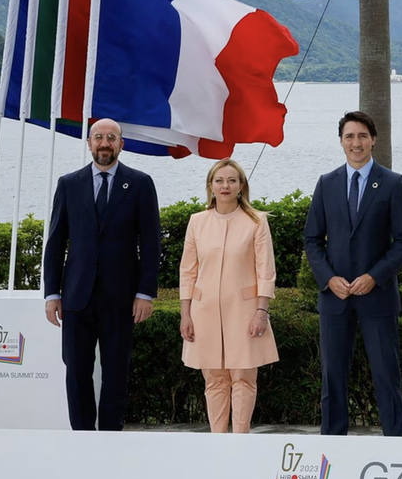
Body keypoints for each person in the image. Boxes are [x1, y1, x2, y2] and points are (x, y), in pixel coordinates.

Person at [42, 118, 161, 431]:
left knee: (116, 370)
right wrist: (52, 294)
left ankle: (111, 434)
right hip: (77, 297)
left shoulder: (140, 183)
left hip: (121, 298)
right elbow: (55, 243)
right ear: (89, 143)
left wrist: (145, 293)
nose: (105, 143)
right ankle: (81, 436)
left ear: (121, 144)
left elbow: (151, 243)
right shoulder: (69, 184)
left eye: (111, 137)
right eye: (98, 137)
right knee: (77, 370)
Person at [304, 111, 402, 436]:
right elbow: (312, 239)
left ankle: (395, 445)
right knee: (333, 379)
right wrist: (328, 278)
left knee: (386, 377)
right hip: (335, 298)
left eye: (362, 136)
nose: (356, 142)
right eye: (350, 136)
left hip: (377, 297)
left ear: (373, 140)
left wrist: (374, 276)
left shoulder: (393, 183)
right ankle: (333, 446)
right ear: (341, 141)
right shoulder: (326, 184)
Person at [178, 159, 279, 433]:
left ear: (241, 186)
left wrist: (261, 312)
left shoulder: (256, 222)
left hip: (245, 313)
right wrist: (185, 314)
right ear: (210, 186)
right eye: (219, 180)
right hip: (204, 313)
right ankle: (218, 440)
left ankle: (241, 439)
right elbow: (187, 270)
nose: (225, 186)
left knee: (244, 379)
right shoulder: (197, 222)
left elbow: (265, 271)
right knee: (214, 381)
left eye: (232, 180)